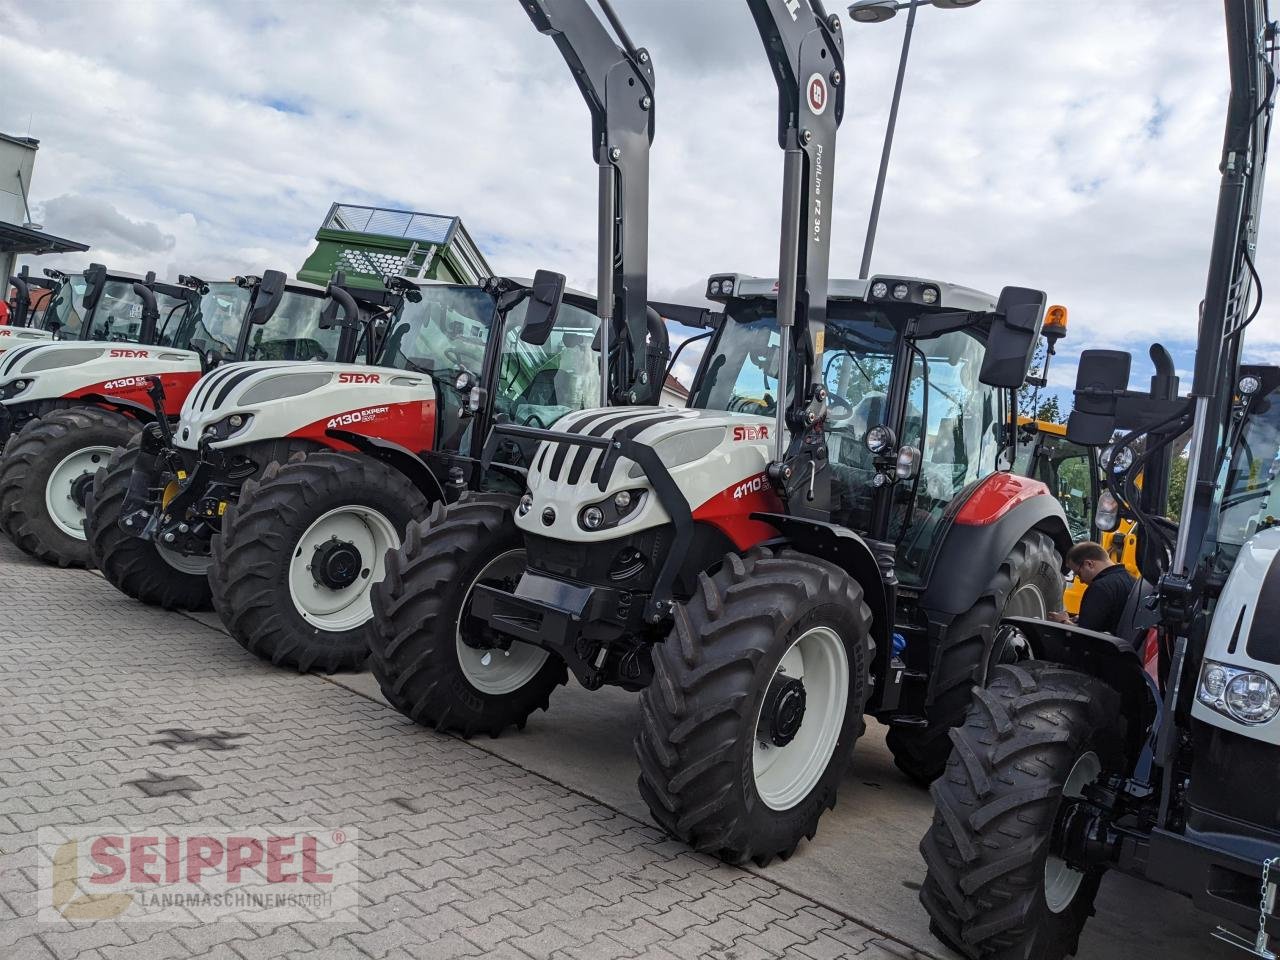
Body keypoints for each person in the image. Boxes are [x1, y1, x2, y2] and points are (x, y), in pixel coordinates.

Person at [1049, 541, 1137, 635]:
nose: (1082, 581)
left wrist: (1063, 621)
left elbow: (1085, 635)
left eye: (1079, 574)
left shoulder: (1100, 588)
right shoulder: (1133, 580)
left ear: (1089, 564)